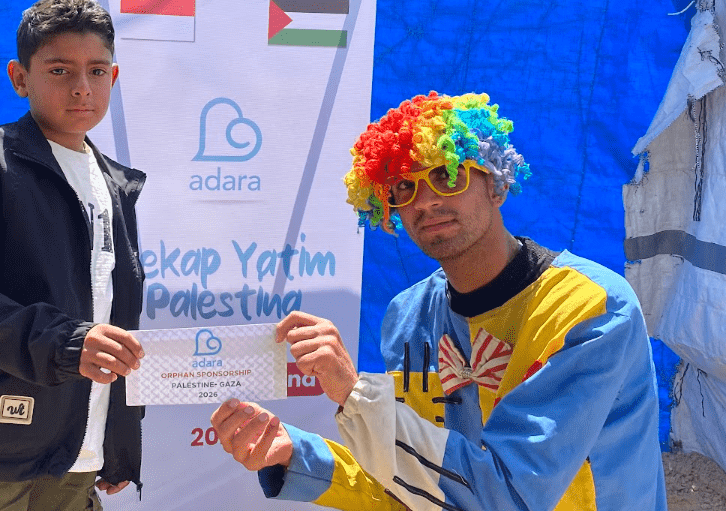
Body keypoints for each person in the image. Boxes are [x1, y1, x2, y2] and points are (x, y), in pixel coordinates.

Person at [210, 91, 666, 511]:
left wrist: (354, 394)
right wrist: (294, 453)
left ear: (495, 184)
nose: (425, 201)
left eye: (447, 175)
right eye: (403, 187)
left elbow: (507, 495)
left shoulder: (588, 307)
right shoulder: (409, 317)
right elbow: (418, 484)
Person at [0, 0, 146, 511]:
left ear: (113, 77)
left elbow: (113, 315)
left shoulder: (114, 185)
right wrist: (66, 344)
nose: (81, 87)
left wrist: (117, 439)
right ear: (20, 78)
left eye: (96, 70)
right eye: (59, 70)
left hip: (78, 449)